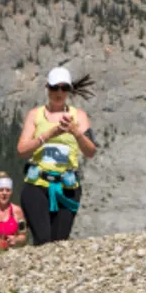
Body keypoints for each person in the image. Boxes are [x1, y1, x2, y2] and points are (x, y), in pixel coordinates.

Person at [16, 67, 98, 244]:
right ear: (47, 87)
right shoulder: (35, 115)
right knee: (43, 238)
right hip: (37, 184)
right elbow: (22, 150)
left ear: (69, 90)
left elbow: (91, 151)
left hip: (67, 186)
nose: (59, 93)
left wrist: (76, 132)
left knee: (59, 242)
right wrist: (48, 135)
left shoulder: (79, 116)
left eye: (64, 88)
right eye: (55, 88)